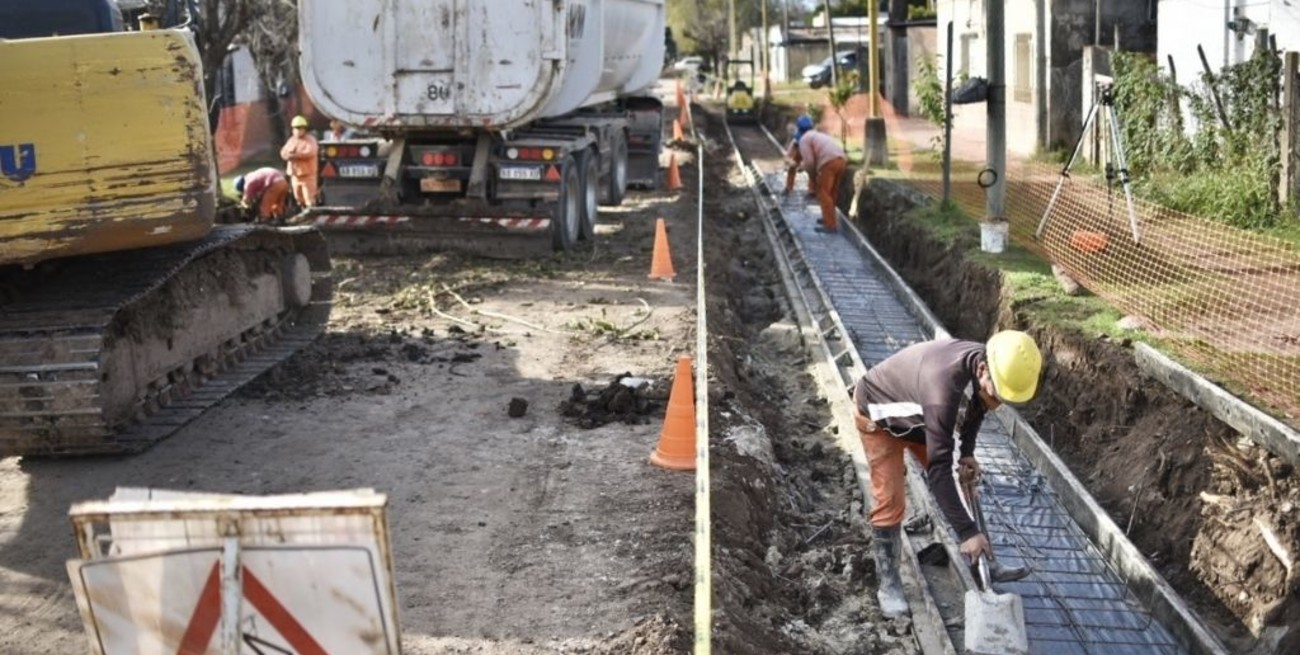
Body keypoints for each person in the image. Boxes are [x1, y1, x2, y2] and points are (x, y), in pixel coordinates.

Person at [851, 330, 1043, 618]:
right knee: (891, 501)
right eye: (999, 394)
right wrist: (967, 532)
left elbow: (977, 408)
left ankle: (985, 565)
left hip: (919, 416)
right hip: (879, 416)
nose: (999, 402)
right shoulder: (944, 389)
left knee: (962, 480)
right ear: (982, 370)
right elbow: (938, 471)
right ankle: (889, 585)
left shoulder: (985, 361)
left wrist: (966, 452)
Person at [792, 124, 847, 233]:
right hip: (841, 160)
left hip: (829, 162)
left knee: (823, 193)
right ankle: (829, 218)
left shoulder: (803, 140)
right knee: (832, 193)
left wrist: (813, 177)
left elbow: (809, 162)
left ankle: (830, 225)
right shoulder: (817, 135)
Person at [280, 115, 319, 209]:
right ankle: (301, 210)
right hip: (295, 175)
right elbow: (283, 152)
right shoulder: (291, 140)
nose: (298, 130)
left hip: (307, 175)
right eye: (296, 128)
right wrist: (288, 155)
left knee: (308, 197)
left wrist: (295, 155)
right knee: (298, 197)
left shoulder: (310, 140)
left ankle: (311, 212)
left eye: (300, 128)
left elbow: (310, 152)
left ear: (304, 129)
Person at [782, 114, 817, 197]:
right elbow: (787, 157)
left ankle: (812, 190)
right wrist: (791, 163)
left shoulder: (815, 141)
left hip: (810, 156)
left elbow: (814, 161)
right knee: (792, 168)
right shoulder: (795, 142)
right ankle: (788, 187)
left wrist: (805, 166)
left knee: (813, 170)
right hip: (799, 154)